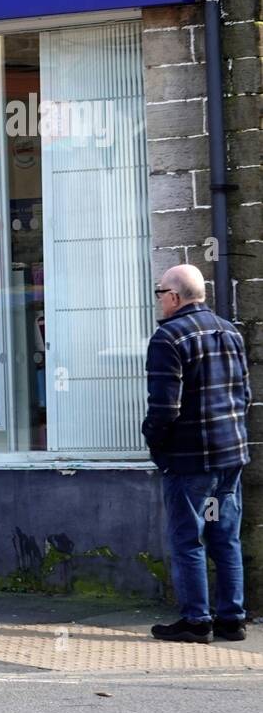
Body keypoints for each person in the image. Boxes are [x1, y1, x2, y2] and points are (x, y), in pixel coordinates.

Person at [143, 264, 251, 643]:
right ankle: (231, 618)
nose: (159, 299)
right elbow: (244, 395)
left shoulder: (168, 338)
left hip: (190, 463)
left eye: (160, 293)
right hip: (229, 459)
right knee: (223, 534)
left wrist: (155, 445)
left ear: (174, 296)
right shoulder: (230, 331)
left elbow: (164, 410)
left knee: (189, 539)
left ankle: (195, 620)